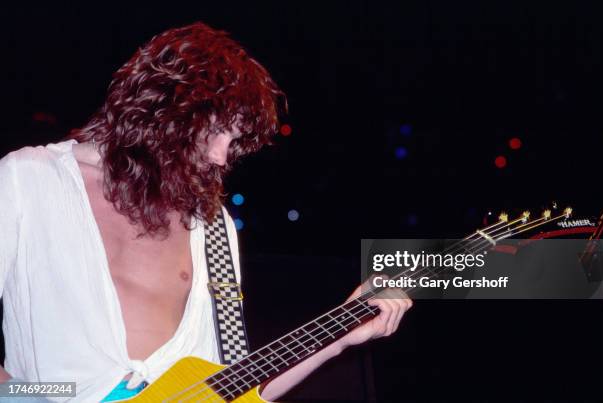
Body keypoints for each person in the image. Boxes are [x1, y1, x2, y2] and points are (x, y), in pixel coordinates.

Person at [0, 22, 412, 402]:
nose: (220, 157)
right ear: (157, 110)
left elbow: (230, 387)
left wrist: (339, 337)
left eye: (232, 141)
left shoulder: (212, 225)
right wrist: (25, 396)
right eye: (215, 130)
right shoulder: (28, 180)